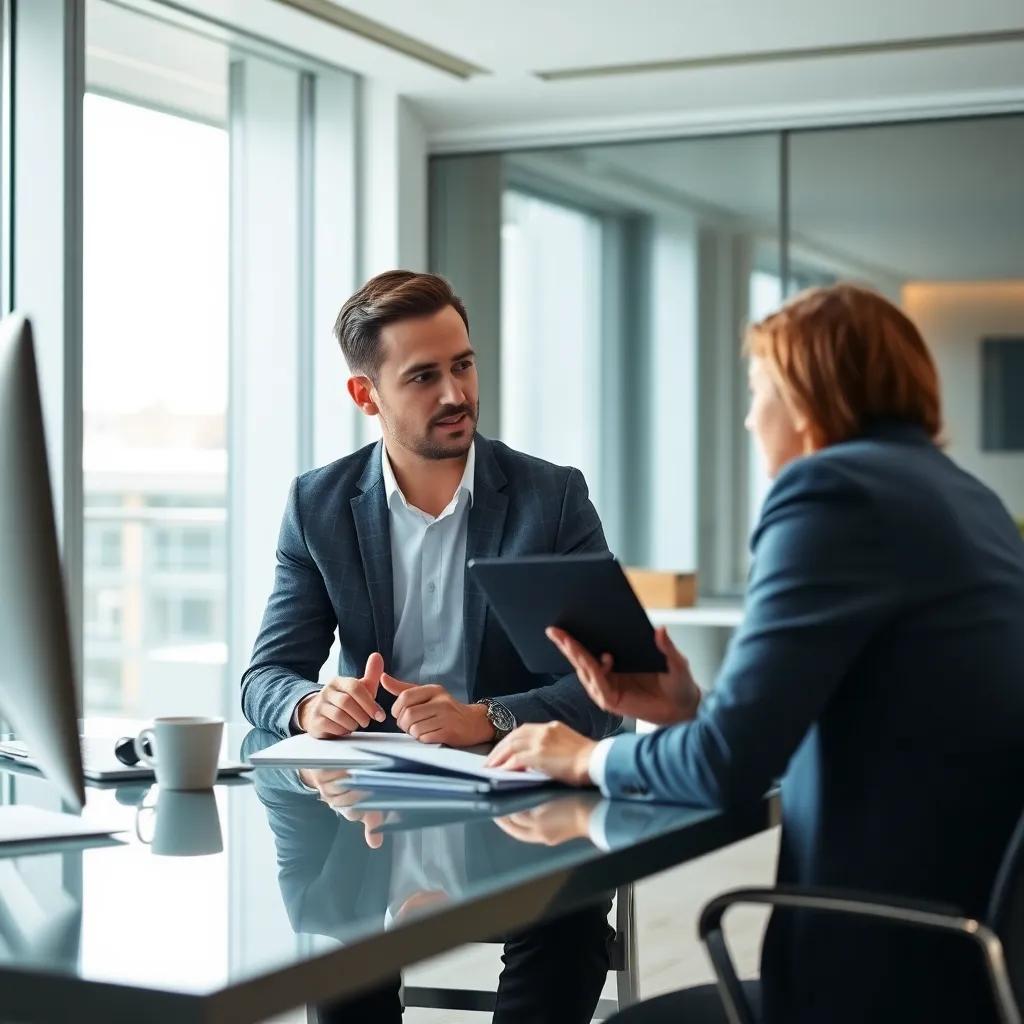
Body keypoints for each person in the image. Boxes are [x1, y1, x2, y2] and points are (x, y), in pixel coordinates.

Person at [486, 283, 1024, 1024]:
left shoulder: (828, 492)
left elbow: (724, 770)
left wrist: (585, 758)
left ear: (804, 397)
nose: (748, 418)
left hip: (874, 980)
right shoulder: (969, 500)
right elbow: (857, 729)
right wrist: (692, 713)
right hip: (974, 963)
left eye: (756, 390)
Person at [240, 270, 618, 1024]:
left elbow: (605, 686)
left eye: (463, 365)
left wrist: (487, 718)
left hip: (521, 802)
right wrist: (313, 704)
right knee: (334, 946)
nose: (455, 393)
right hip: (369, 808)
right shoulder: (318, 505)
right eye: (423, 376)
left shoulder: (550, 500)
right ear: (366, 395)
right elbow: (266, 676)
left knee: (566, 932)